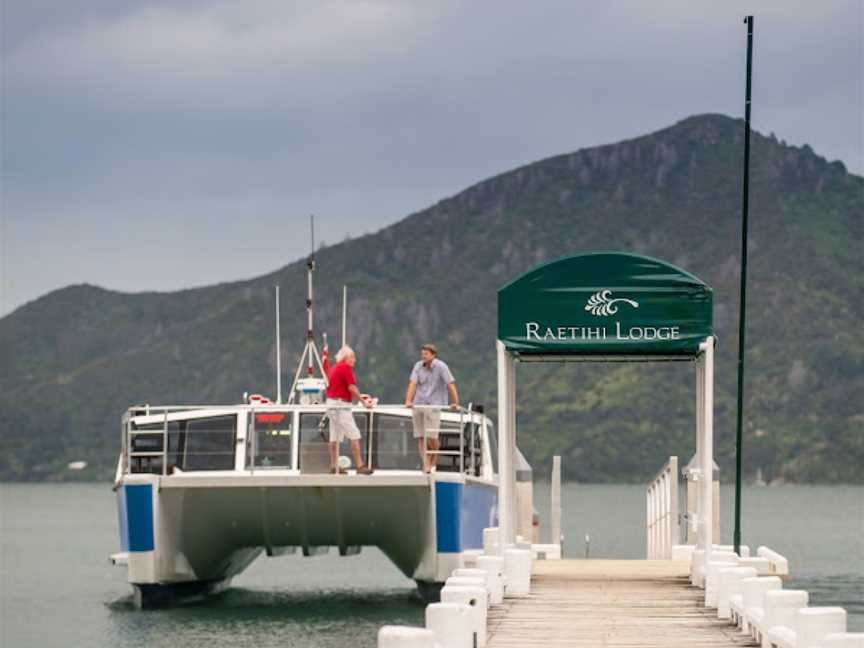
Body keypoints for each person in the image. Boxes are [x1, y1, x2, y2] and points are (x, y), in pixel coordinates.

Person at [404, 343, 459, 473]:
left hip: (434, 405)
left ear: (433, 355)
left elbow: (450, 384)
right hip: (419, 403)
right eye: (422, 353)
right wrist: (408, 400)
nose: (423, 356)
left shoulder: (441, 367)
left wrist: (455, 402)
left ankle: (431, 459)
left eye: (426, 354)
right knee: (421, 436)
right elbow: (413, 383)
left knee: (432, 437)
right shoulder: (418, 366)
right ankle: (426, 464)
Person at [326, 346, 374, 475]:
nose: (354, 360)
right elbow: (352, 387)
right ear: (345, 358)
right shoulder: (345, 368)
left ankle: (333, 466)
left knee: (334, 436)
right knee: (354, 434)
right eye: (352, 357)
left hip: (331, 403)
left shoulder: (334, 367)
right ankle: (360, 466)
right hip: (341, 405)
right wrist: (364, 402)